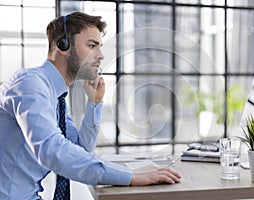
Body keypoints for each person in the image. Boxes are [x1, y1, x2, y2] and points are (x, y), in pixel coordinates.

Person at [0, 12, 181, 200]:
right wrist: (130, 177)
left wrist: (94, 103)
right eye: (92, 46)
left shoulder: (55, 95)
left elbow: (79, 148)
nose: (101, 56)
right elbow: (52, 151)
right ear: (63, 45)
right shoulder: (30, 84)